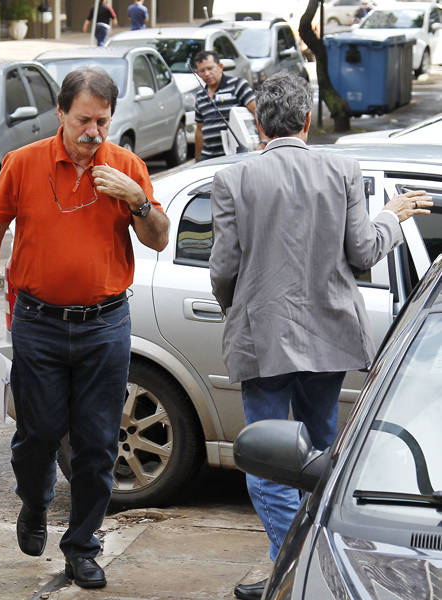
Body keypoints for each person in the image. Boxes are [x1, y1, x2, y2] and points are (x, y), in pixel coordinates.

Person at [208, 72, 432, 600]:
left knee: (267, 461)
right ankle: (307, 567)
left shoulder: (233, 181)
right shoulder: (343, 170)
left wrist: (238, 312)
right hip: (328, 339)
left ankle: (294, 567)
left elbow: (223, 270)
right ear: (307, 120)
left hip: (262, 340)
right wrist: (389, 218)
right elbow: (364, 252)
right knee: (319, 458)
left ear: (260, 123)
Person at [0, 67, 169, 590]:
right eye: (84, 119)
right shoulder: (23, 164)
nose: (93, 132)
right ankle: (35, 503)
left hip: (105, 325)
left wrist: (137, 199)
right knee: (36, 436)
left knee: (96, 444)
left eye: (103, 122)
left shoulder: (125, 166)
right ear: (61, 113)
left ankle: (82, 547)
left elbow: (158, 240)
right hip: (38, 322)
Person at [192, 50, 256, 161]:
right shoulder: (200, 96)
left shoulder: (238, 85)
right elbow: (199, 129)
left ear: (220, 67)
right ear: (197, 73)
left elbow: (257, 112)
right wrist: (197, 159)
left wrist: (264, 142)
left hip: (236, 154)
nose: (207, 74)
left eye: (210, 68)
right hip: (208, 157)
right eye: (202, 70)